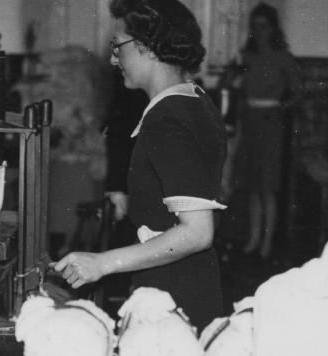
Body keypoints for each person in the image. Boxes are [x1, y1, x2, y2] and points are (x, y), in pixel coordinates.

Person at [54, 0, 227, 329]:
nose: (113, 58)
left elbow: (197, 232)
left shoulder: (168, 118)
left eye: (117, 46)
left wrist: (104, 263)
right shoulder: (194, 101)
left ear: (148, 46)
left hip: (173, 299)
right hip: (187, 287)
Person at [231, 2, 301, 260]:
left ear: (272, 28)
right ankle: (253, 238)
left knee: (267, 187)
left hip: (270, 126)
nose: (258, 31)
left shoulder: (283, 58)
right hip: (249, 123)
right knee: (251, 186)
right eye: (254, 26)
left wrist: (280, 109)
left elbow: (298, 92)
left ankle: (267, 242)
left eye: (263, 26)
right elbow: (237, 87)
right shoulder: (246, 56)